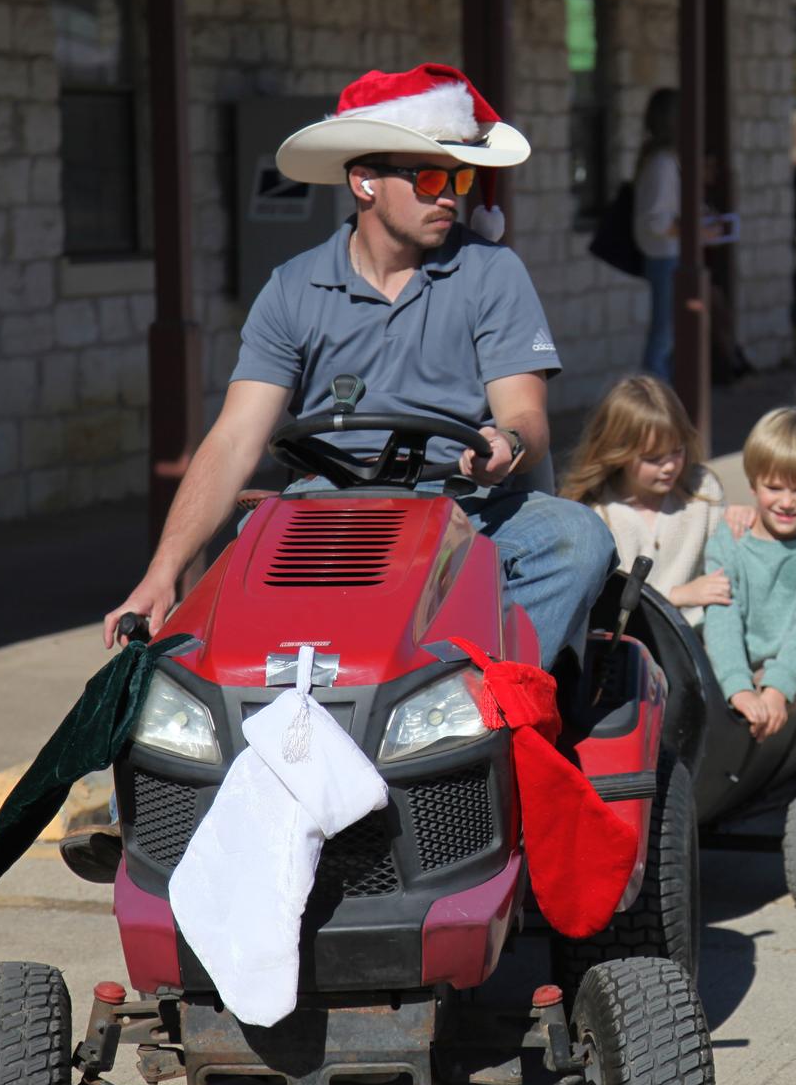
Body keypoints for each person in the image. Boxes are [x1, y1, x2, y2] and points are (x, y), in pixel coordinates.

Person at [102, 63, 614, 671]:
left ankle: (484, 698)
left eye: (461, 176)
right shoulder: (292, 288)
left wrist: (504, 443)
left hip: (463, 506)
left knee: (576, 538)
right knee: (243, 557)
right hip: (330, 505)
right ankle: (282, 721)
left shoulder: (492, 273)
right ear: (365, 183)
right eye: (429, 177)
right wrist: (162, 574)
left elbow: (525, 416)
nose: (450, 194)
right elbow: (235, 438)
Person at [702, 405, 796, 742]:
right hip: (726, 666)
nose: (786, 502)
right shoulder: (729, 540)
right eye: (774, 487)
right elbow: (722, 616)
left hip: (785, 671)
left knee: (780, 704)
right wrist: (738, 687)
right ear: (754, 483)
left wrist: (776, 690)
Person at [562, 375, 748, 627]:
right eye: (653, 458)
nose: (670, 466)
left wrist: (746, 524)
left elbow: (730, 563)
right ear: (617, 453)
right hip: (635, 648)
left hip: (702, 639)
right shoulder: (596, 514)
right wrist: (678, 595)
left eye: (677, 451)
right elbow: (607, 601)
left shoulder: (702, 490)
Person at [634, 89, 683, 379]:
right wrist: (695, 230)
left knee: (668, 337)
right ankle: (654, 407)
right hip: (664, 257)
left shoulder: (662, 160)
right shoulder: (662, 163)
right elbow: (656, 221)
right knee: (663, 339)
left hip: (666, 256)